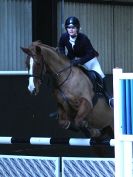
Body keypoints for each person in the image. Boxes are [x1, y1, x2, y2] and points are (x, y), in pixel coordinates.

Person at [58, 16, 114, 108]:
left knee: (100, 74)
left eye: (73, 27)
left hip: (89, 60)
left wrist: (79, 61)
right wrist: (63, 57)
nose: (71, 30)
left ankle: (109, 97)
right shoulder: (64, 37)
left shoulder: (84, 38)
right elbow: (61, 47)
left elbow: (90, 53)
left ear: (77, 28)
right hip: (73, 59)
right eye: (69, 28)